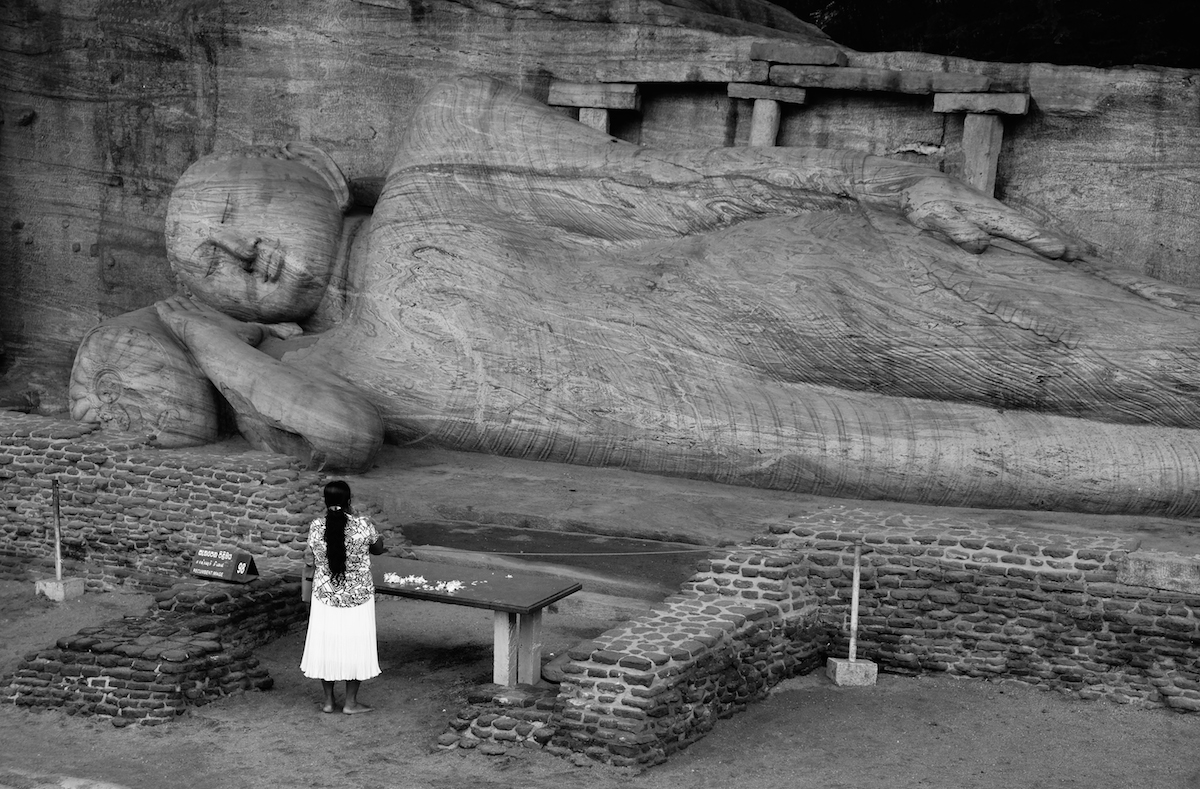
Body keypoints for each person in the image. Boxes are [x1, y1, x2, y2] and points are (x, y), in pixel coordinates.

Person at [69, 75, 1200, 516]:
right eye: (202, 262)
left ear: (312, 168)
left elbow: (674, 183)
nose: (230, 252)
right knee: (1099, 467)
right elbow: (339, 440)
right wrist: (185, 328)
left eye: (232, 210)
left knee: (1142, 361)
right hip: (750, 422)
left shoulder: (442, 166)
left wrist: (888, 183)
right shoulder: (323, 372)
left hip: (790, 285)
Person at [300, 479, 386, 714]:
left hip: (325, 596)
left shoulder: (316, 526)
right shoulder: (362, 525)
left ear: (325, 502)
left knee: (327, 645)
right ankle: (350, 703)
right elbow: (379, 548)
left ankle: (328, 702)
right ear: (349, 501)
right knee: (355, 646)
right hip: (358, 598)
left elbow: (314, 556)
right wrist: (364, 522)